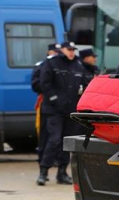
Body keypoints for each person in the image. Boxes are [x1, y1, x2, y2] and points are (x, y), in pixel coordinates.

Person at [38, 42, 86, 186]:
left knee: (67, 143)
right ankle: (43, 171)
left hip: (70, 110)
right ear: (62, 50)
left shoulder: (78, 65)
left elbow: (83, 85)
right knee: (54, 140)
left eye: (73, 50)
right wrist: (55, 99)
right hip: (54, 110)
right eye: (69, 49)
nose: (71, 52)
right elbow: (44, 83)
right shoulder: (52, 63)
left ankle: (62, 172)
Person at [31, 43, 59, 175]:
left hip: (59, 104)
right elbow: (36, 84)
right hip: (44, 102)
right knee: (43, 132)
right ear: (49, 52)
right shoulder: (41, 66)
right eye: (54, 52)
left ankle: (57, 161)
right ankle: (42, 158)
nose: (56, 54)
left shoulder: (61, 66)